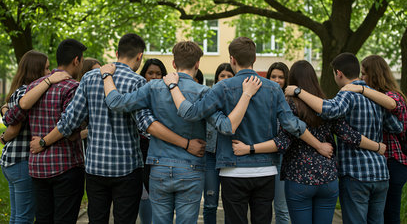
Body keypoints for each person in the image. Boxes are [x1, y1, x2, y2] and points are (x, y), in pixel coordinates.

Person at [29, 35, 206, 224]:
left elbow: (70, 121)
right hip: (127, 167)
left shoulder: (89, 78)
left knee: (97, 220)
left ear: (116, 53)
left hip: (96, 166)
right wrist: (185, 143)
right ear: (139, 57)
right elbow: (147, 124)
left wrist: (43, 141)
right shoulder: (136, 82)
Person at [163, 37, 333, 224]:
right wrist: (319, 145)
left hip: (232, 170)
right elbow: (292, 125)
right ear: (254, 59)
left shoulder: (222, 87)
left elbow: (192, 112)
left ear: (232, 60)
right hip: (266, 170)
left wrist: (173, 86)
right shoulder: (273, 88)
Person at [100, 40, 262, 223]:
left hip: (159, 166)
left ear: (174, 64)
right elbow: (224, 126)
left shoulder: (153, 87)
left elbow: (115, 102)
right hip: (191, 168)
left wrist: (107, 75)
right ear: (197, 64)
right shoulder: (203, 92)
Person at [233, 60, 387, 224]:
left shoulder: (290, 105)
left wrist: (249, 148)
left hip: (300, 178)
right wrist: (377, 146)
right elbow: (350, 135)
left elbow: (282, 143)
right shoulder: (326, 104)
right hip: (328, 179)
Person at [285, 53, 403, 224]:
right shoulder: (375, 96)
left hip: (356, 173)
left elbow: (328, 111)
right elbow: (396, 127)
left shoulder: (347, 93)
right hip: (380, 173)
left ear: (338, 73)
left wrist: (298, 91)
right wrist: (377, 146)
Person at [4, 39, 87, 224]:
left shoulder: (34, 86)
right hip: (65, 166)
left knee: (42, 219)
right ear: (76, 60)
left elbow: (12, 118)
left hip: (37, 168)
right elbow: (71, 129)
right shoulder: (73, 87)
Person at [0, 50, 69, 224]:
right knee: (24, 218)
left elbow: (9, 117)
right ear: (35, 71)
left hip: (11, 160)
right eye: (45, 68)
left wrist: (4, 113)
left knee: (16, 215)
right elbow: (14, 128)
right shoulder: (28, 92)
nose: (48, 72)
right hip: (22, 159)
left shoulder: (20, 90)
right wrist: (4, 137)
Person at [341, 55, 407, 224]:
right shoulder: (375, 96)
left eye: (364, 74)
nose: (361, 78)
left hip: (395, 161)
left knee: (390, 214)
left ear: (375, 74)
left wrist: (361, 89)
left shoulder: (392, 95)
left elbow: (393, 105)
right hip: (382, 162)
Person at [138, 58, 168, 224]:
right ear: (144, 75)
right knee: (145, 193)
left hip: (162, 149)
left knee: (160, 193)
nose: (155, 77)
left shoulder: (169, 96)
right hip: (142, 148)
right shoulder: (139, 95)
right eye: (151, 73)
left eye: (158, 73)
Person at [204, 63, 234, 224]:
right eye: (222, 76)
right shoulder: (209, 97)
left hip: (231, 156)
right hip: (210, 155)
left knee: (231, 204)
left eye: (230, 76)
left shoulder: (239, 99)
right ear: (216, 79)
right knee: (210, 203)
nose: (226, 79)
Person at [266, 62, 290, 224]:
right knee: (263, 206)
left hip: (284, 159)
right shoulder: (263, 98)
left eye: (280, 77)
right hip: (264, 157)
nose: (276, 80)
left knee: (282, 207)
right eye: (273, 76)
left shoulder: (290, 100)